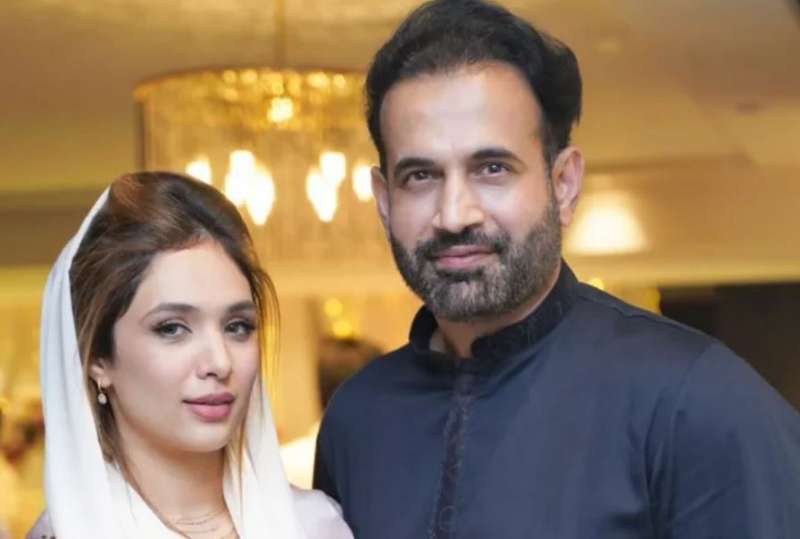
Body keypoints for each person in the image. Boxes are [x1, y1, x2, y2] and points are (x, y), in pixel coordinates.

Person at [312, 1, 800, 537]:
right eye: (420, 176)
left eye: (492, 168)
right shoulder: (359, 418)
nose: (454, 215)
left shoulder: (694, 398)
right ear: (384, 200)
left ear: (563, 183)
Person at [29, 172, 353, 538]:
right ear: (97, 360)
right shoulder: (67, 533)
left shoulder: (314, 525)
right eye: (171, 329)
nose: (220, 363)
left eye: (237, 326)